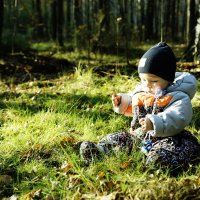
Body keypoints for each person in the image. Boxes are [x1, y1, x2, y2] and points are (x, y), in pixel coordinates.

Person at [79, 42, 200, 171]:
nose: (147, 85)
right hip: (139, 136)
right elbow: (133, 105)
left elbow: (178, 117)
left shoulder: (178, 97)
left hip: (169, 137)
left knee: (172, 150)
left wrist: (154, 123)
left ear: (168, 79)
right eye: (143, 79)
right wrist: (122, 102)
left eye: (154, 81)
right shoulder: (142, 92)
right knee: (120, 139)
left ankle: (158, 162)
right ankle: (99, 151)